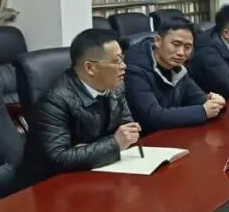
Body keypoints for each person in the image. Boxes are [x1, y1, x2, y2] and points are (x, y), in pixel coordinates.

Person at [17, 28, 141, 186]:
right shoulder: (55, 101)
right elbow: (59, 158)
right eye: (116, 61)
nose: (124, 66)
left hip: (98, 174)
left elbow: (128, 130)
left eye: (122, 58)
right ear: (90, 68)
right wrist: (114, 144)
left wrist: (87, 149)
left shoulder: (114, 86)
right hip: (53, 187)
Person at [125, 16, 225, 133]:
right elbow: (152, 117)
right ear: (158, 41)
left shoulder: (177, 67)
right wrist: (203, 111)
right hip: (145, 138)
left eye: (187, 47)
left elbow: (196, 97)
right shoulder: (135, 70)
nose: (181, 53)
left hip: (170, 133)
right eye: (176, 44)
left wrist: (214, 101)